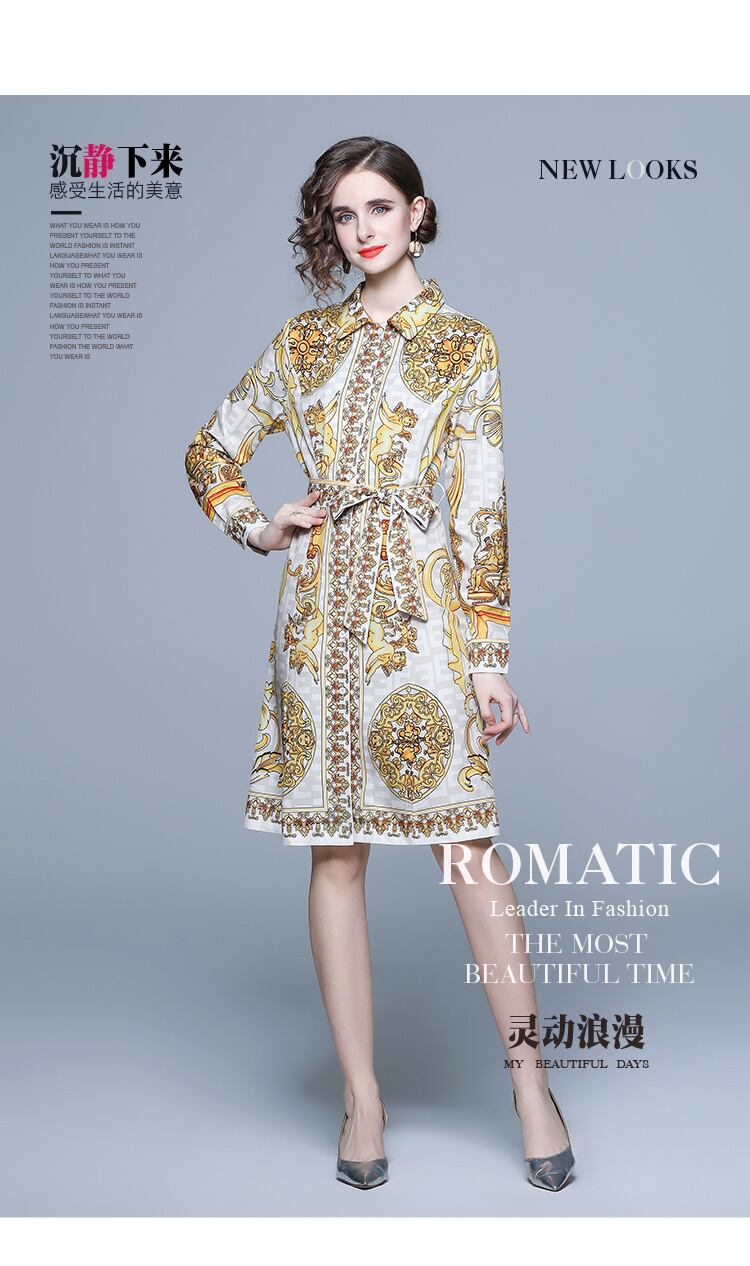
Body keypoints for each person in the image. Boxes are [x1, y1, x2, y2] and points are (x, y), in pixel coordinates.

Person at [185, 136, 575, 1192]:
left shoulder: (464, 344)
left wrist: (489, 657)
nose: (361, 230)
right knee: (337, 857)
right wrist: (259, 525)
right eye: (342, 214)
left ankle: (531, 1084)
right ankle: (363, 1098)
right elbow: (210, 448)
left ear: (418, 212)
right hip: (315, 631)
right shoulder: (302, 342)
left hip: (422, 624)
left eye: (379, 208)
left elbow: (483, 505)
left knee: (467, 851)